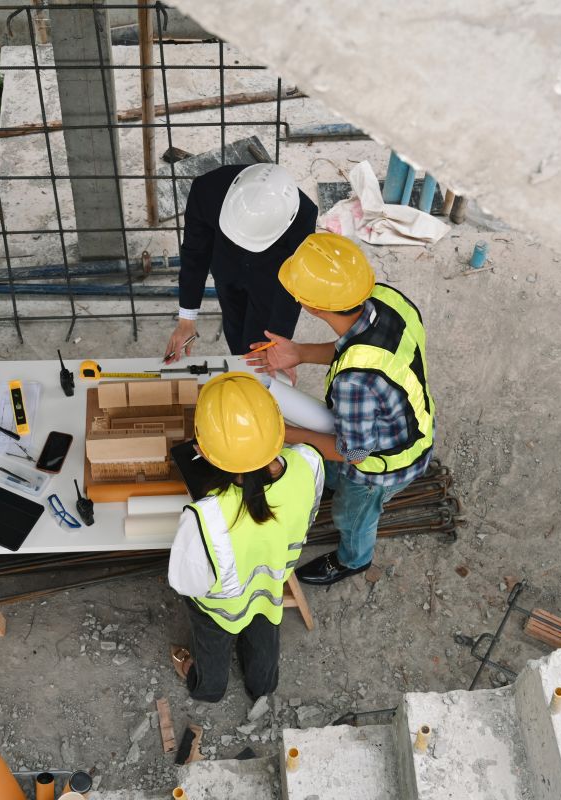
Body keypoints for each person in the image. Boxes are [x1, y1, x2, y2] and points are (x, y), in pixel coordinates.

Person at [245, 232, 435, 587]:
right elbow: (356, 345)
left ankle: (353, 559)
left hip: (382, 465)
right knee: (334, 465)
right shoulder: (388, 299)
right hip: (408, 422)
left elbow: (355, 454)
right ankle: (333, 484)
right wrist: (300, 353)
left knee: (351, 514)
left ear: (312, 307)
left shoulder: (354, 382)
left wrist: (285, 434)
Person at [167, 372, 324, 702]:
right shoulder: (309, 463)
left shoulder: (205, 516)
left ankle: (208, 688)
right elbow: (307, 518)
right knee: (265, 625)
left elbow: (186, 583)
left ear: (204, 451)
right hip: (273, 583)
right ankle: (262, 686)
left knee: (212, 643)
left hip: (221, 607)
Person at [163, 163, 317, 364]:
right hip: (226, 265)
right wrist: (186, 319)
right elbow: (195, 253)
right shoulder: (207, 190)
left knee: (260, 347)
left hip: (270, 276)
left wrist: (278, 341)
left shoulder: (303, 215)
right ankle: (239, 360)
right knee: (234, 329)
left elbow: (294, 283)